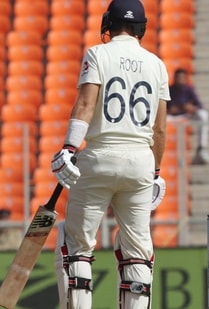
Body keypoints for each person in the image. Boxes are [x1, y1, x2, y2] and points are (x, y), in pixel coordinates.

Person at [50, 0, 169, 308]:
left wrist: (69, 147)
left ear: (108, 24)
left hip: (100, 156)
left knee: (76, 245)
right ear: (141, 27)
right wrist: (155, 172)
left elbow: (86, 105)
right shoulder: (157, 64)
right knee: (137, 252)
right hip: (141, 163)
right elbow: (159, 130)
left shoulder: (98, 54)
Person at [167, 68, 209, 164]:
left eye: (182, 77)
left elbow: (199, 106)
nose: (180, 79)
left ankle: (201, 148)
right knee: (161, 120)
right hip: (173, 117)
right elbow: (165, 108)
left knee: (203, 115)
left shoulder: (189, 89)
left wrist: (191, 108)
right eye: (178, 77)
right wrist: (172, 110)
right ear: (174, 78)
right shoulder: (170, 89)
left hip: (187, 115)